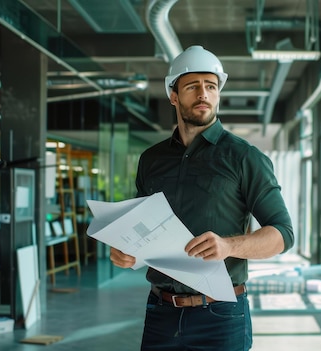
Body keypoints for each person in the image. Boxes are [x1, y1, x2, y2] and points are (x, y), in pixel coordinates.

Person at [109, 45, 294, 351]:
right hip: (161, 312)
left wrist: (229, 245)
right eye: (193, 86)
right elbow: (141, 227)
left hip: (221, 315)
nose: (203, 94)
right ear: (173, 95)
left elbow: (283, 234)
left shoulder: (244, 158)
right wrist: (127, 253)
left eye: (210, 86)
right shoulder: (151, 160)